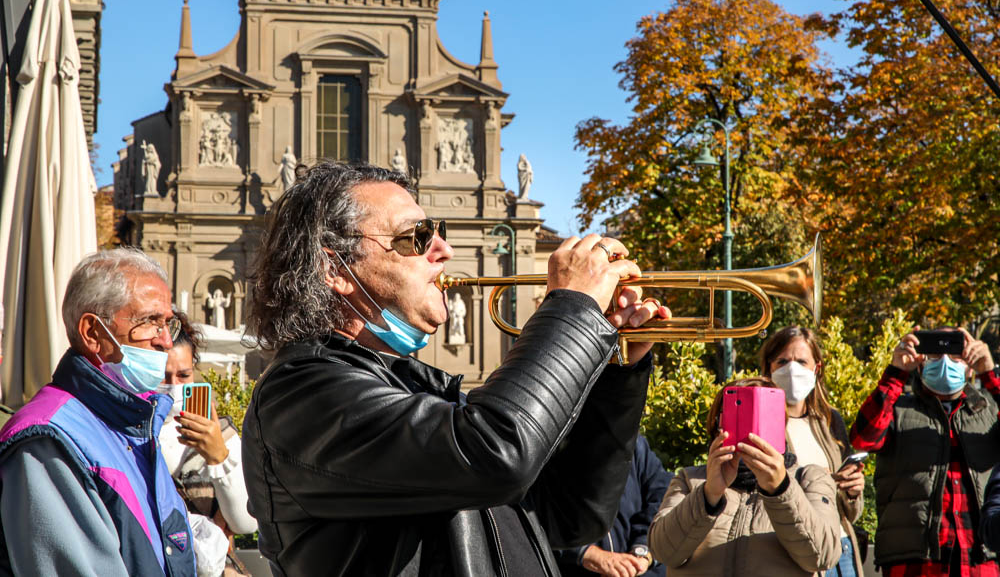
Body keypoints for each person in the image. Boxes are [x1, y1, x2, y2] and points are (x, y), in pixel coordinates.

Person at [241, 160, 671, 576]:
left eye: (438, 232)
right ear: (335, 269)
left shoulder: (411, 386)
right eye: (417, 236)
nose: (444, 249)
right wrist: (572, 311)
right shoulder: (302, 394)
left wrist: (616, 369)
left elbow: (569, 515)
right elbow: (501, 450)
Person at [0, 248, 195, 576]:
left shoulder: (137, 420)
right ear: (92, 333)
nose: (165, 341)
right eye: (148, 322)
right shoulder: (48, 440)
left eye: (167, 324)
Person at [648, 377, 842, 576]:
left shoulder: (809, 478)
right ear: (717, 423)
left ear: (780, 424)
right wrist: (709, 495)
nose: (750, 430)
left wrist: (780, 489)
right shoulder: (689, 479)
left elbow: (823, 556)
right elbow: (663, 552)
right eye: (736, 414)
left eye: (764, 416)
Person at [850, 328, 1000, 576]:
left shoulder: (989, 410)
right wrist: (896, 372)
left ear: (970, 366)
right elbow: (863, 438)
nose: (944, 362)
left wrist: (990, 374)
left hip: (980, 560)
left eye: (955, 354)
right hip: (914, 563)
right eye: (933, 353)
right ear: (920, 363)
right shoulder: (897, 410)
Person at [759, 326, 866, 577]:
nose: (792, 369)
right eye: (783, 361)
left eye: (801, 361)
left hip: (841, 548)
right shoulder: (761, 423)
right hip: (793, 552)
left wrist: (852, 490)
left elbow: (851, 512)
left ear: (816, 368)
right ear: (769, 367)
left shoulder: (830, 421)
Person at [157, 312, 257, 576]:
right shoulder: (129, 433)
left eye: (183, 375)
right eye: (163, 376)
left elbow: (246, 523)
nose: (173, 385)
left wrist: (219, 456)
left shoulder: (221, 433)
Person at [555, 434, 672, 577]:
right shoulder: (550, 445)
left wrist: (642, 551)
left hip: (643, 569)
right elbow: (532, 515)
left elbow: (664, 496)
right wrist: (588, 554)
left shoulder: (632, 442)